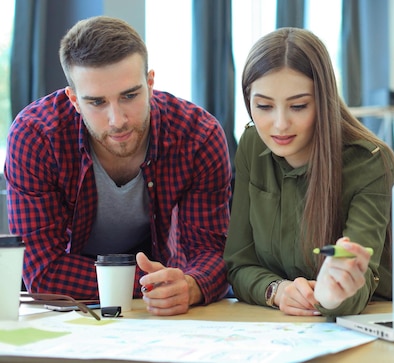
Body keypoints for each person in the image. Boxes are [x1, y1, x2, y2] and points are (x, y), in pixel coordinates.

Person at [4, 16, 232, 316]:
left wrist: (190, 284)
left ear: (150, 83)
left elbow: (213, 253)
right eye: (97, 102)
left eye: (130, 96)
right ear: (73, 99)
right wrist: (159, 282)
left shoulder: (198, 135)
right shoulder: (36, 137)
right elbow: (43, 272)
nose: (117, 119)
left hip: (159, 308)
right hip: (73, 309)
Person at [224, 27, 394, 317]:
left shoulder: (369, 160)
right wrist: (276, 290)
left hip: (368, 322)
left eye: (298, 106)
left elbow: (363, 279)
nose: (280, 124)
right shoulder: (251, 144)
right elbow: (238, 263)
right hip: (279, 326)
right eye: (264, 106)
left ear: (324, 100)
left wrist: (332, 293)